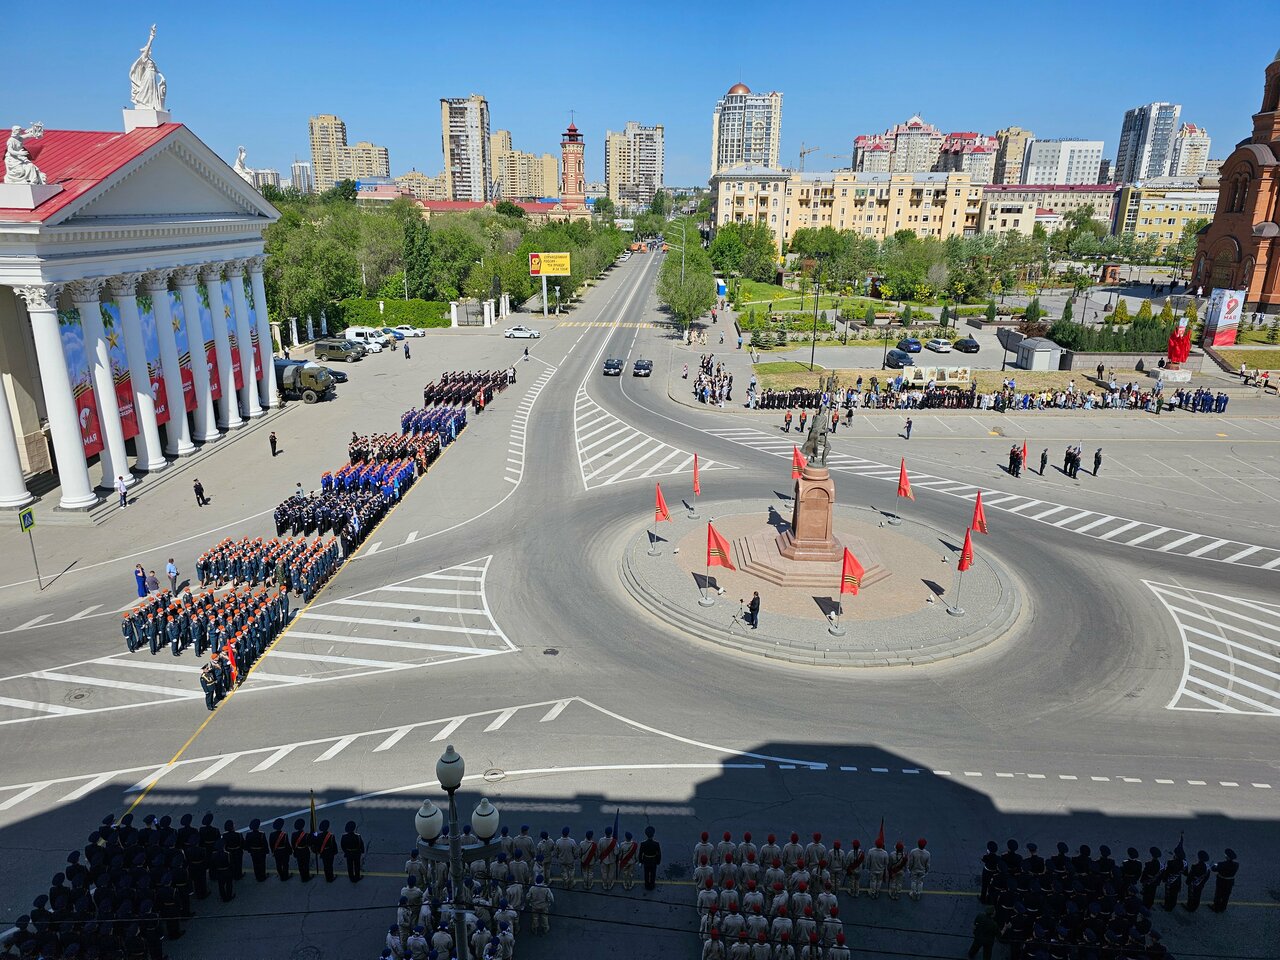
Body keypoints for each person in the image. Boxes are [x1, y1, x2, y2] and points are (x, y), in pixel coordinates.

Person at [639, 825, 662, 890]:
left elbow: (640, 853)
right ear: (653, 834)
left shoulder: (643, 844)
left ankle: (646, 885)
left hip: (646, 860)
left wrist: (640, 861)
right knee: (653, 873)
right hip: (653, 860)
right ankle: (652, 885)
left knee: (646, 873)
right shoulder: (656, 844)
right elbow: (659, 854)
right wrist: (658, 861)